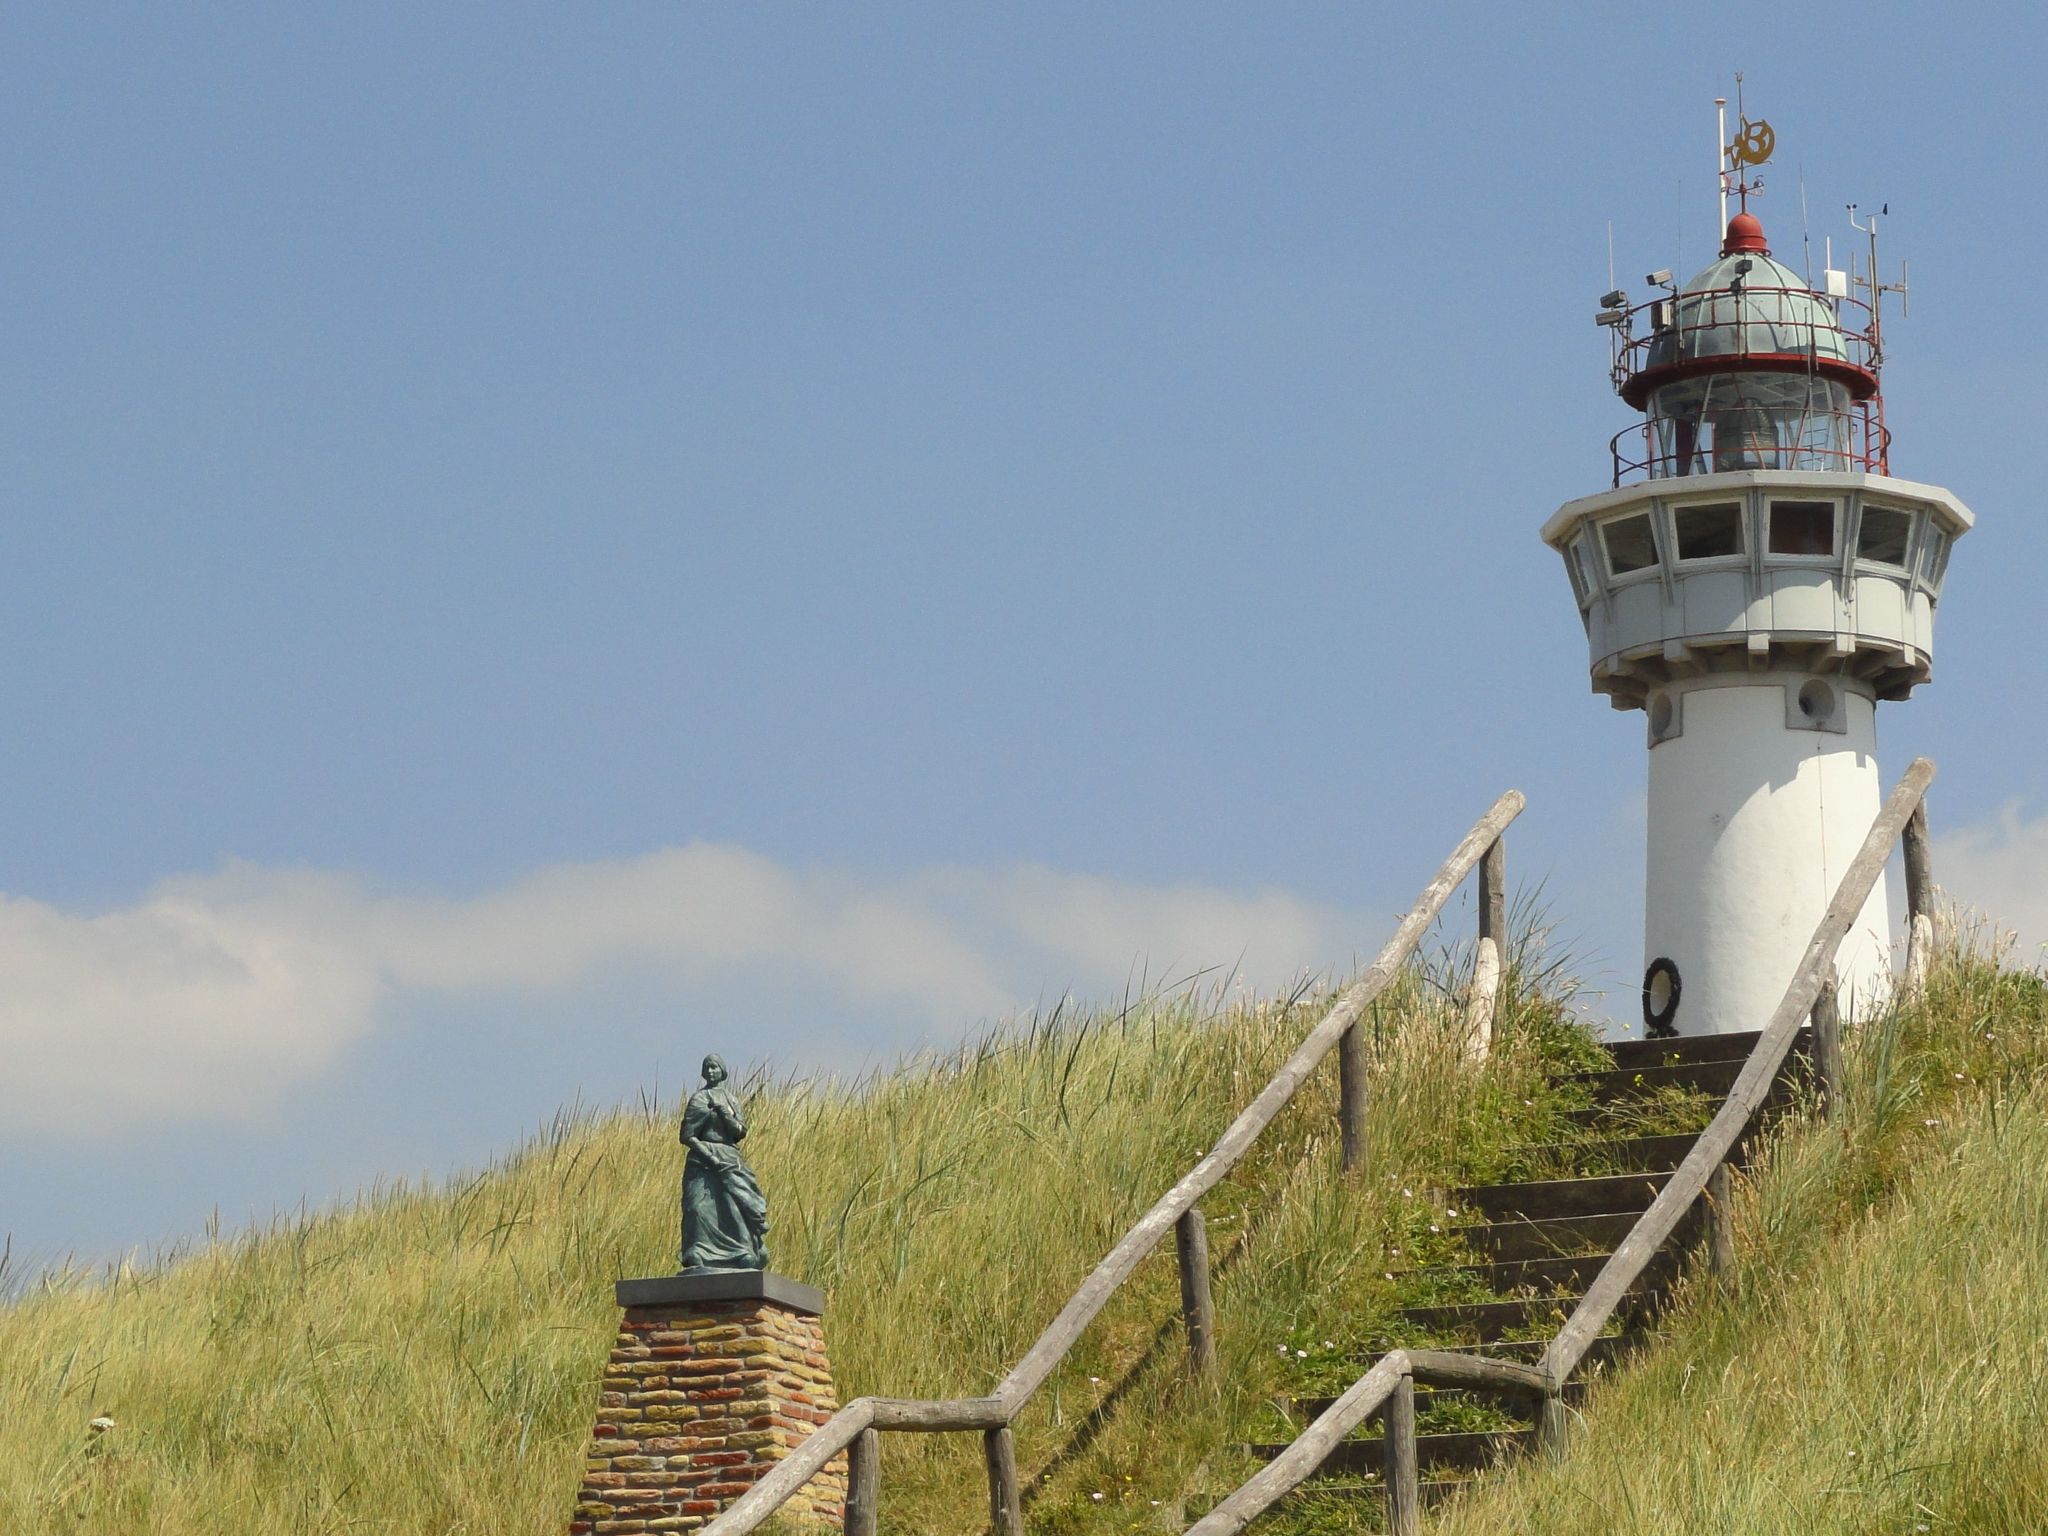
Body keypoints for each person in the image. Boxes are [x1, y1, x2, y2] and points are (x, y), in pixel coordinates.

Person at [678, 1054, 770, 1271]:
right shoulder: (699, 1099)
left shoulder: (731, 1100)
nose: (711, 1071)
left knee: (733, 1206)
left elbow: (739, 1132)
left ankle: (743, 1251)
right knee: (697, 1208)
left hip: (729, 1158)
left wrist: (722, 1111)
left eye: (714, 1067)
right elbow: (687, 1135)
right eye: (707, 1068)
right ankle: (698, 1252)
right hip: (702, 1161)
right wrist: (710, 1157)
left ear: (722, 1071)